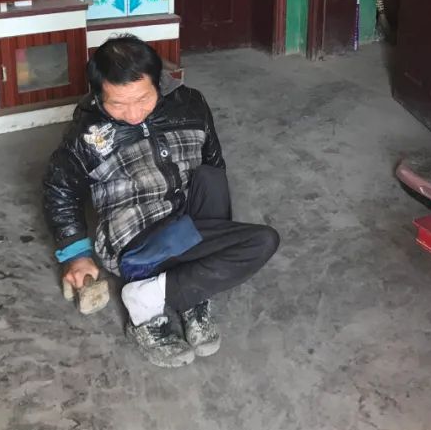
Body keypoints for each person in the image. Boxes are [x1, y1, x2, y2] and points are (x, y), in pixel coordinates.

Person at [43, 36, 279, 368]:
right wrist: (76, 255)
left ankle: (180, 291)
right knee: (257, 243)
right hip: (139, 241)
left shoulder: (191, 104)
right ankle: (147, 304)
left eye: (143, 98)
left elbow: (213, 160)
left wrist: (211, 217)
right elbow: (60, 189)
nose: (133, 114)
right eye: (117, 104)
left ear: (159, 84)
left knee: (216, 182)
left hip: (189, 224)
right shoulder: (86, 136)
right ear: (98, 96)